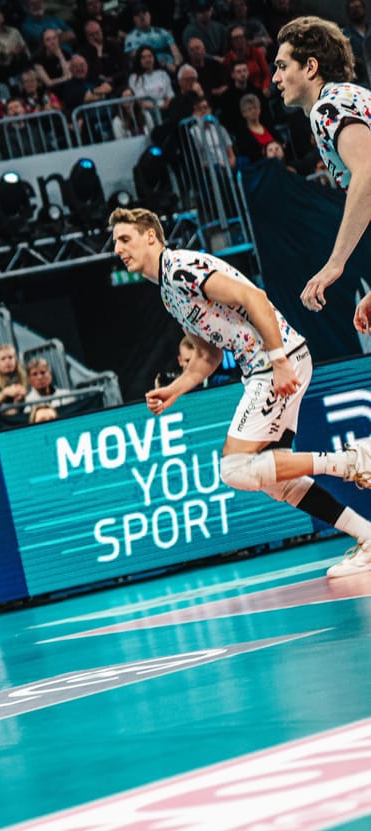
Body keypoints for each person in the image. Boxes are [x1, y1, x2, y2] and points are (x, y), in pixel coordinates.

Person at [112, 206, 371, 577]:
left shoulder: (182, 268)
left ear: (150, 235)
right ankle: (367, 537)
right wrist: (176, 389)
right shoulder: (169, 293)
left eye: (125, 239)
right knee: (274, 481)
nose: (119, 249)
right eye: (116, 242)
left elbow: (256, 299)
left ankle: (354, 460)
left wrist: (279, 360)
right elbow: (208, 354)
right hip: (263, 368)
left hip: (275, 361)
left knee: (234, 468)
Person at [273, 19, 371, 326]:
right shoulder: (349, 95)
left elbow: (368, 172)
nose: (275, 78)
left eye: (282, 66)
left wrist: (335, 263)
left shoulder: (327, 107)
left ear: (310, 67)